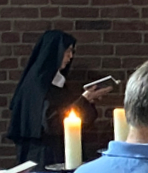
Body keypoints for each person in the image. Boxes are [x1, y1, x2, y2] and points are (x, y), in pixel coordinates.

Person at [7, 30, 112, 165]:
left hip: (59, 149)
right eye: (67, 51)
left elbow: (70, 115)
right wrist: (83, 100)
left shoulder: (58, 83)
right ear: (53, 52)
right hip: (42, 154)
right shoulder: (38, 85)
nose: (70, 56)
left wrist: (87, 101)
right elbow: (51, 123)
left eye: (72, 52)